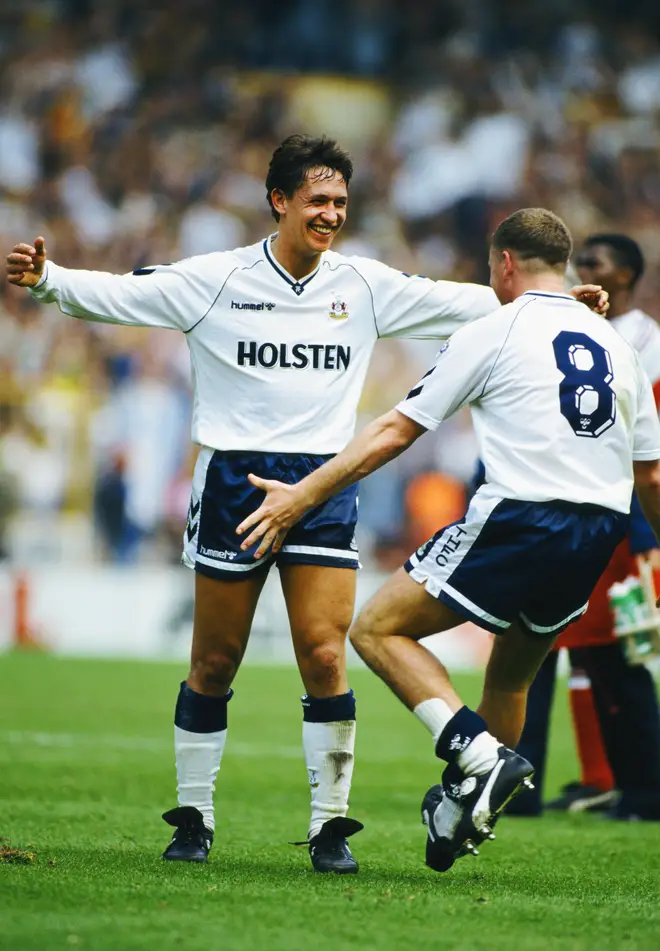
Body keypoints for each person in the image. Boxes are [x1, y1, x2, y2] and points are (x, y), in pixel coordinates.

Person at [5, 137, 606, 875]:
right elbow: (123, 294)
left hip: (322, 485)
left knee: (326, 654)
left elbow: (468, 300)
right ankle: (193, 815)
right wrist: (48, 279)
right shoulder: (217, 278)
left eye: (341, 204)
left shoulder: (365, 284)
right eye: (317, 201)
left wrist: (557, 305)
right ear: (279, 200)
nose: (330, 215)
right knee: (214, 659)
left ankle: (329, 826)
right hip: (235, 480)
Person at [234, 208, 660, 872]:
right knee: (513, 675)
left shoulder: (493, 328)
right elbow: (651, 471)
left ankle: (480, 755)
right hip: (599, 528)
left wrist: (302, 495)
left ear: (506, 264)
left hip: (523, 511)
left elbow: (395, 431)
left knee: (377, 628)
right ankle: (466, 812)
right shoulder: (618, 345)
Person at [510, 234, 660, 821]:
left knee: (608, 656)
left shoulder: (647, 343)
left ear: (626, 275)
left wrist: (648, 537)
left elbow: (644, 451)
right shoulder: (570, 326)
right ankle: (526, 786)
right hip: (564, 506)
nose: (584, 271)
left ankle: (641, 790)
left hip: (617, 522)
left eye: (595, 263)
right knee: (537, 647)